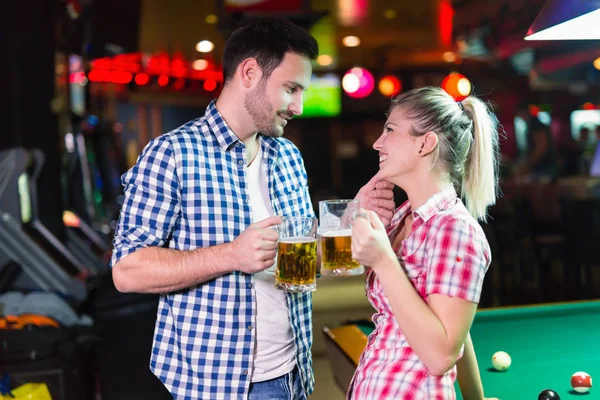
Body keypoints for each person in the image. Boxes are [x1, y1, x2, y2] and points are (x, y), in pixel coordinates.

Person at [110, 18, 395, 400]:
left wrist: (349, 216)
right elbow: (126, 271)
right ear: (249, 73)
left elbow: (302, 263)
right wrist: (231, 255)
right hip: (216, 387)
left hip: (294, 374)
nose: (299, 106)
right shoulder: (172, 154)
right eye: (291, 89)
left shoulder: (288, 156)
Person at [348, 87, 500, 399]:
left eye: (390, 130)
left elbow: (441, 355)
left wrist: (383, 261)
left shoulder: (455, 229)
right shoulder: (402, 217)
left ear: (425, 143)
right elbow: (454, 323)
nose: (378, 142)